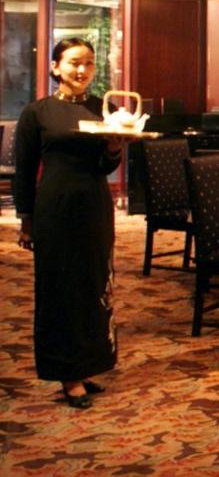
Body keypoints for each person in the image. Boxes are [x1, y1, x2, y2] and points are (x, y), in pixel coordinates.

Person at [14, 38, 124, 410]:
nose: (82, 71)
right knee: (60, 291)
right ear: (56, 67)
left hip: (94, 205)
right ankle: (67, 374)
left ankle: (87, 365)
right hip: (55, 207)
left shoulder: (104, 109)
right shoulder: (38, 112)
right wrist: (26, 221)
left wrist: (112, 147)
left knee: (93, 286)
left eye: (89, 64)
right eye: (75, 63)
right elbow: (25, 172)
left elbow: (106, 166)